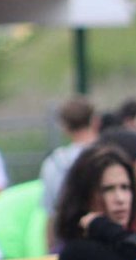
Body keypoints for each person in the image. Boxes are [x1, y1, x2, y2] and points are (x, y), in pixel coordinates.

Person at [38, 96, 98, 241]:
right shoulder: (108, 155)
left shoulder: (53, 162)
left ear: (64, 127)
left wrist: (51, 250)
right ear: (95, 120)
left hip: (68, 239)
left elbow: (51, 214)